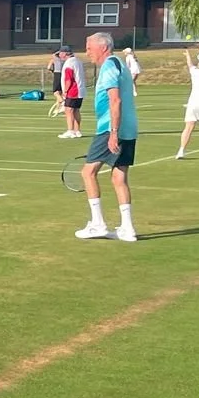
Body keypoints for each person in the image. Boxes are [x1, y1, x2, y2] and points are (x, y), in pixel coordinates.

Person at [75, 31, 138, 242]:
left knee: (88, 172)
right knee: (119, 177)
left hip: (110, 127)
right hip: (129, 128)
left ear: (103, 47)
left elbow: (115, 100)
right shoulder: (119, 64)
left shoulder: (110, 66)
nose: (87, 52)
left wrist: (113, 132)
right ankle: (127, 229)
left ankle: (98, 224)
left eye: (89, 47)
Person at [58, 47, 85, 138]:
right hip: (80, 90)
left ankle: (70, 131)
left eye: (61, 53)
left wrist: (65, 91)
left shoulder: (69, 63)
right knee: (76, 110)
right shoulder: (78, 61)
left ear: (65, 53)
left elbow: (68, 80)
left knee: (68, 110)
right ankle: (77, 131)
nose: (59, 55)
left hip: (73, 90)